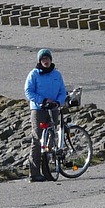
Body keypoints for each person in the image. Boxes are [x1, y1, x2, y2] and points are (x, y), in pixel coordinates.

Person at [24, 47, 67, 181]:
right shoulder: (34, 74)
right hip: (38, 110)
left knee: (52, 139)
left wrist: (58, 103)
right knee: (37, 139)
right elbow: (28, 92)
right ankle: (34, 173)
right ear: (39, 61)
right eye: (43, 59)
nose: (45, 61)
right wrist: (42, 100)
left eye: (47, 58)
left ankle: (47, 170)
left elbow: (62, 91)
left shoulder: (56, 75)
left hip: (53, 109)